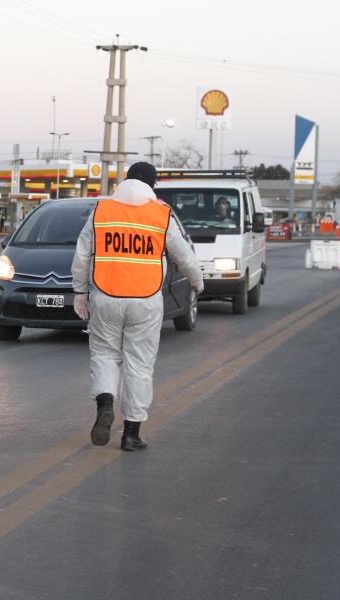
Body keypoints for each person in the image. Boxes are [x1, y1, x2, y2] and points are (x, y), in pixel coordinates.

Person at [71, 162, 203, 451]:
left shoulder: (101, 211)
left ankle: (105, 404)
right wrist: (197, 282)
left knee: (105, 356)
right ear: (152, 186)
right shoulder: (160, 214)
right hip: (146, 300)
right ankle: (131, 433)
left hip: (105, 296)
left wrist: (80, 292)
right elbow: (183, 255)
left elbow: (82, 255)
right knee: (139, 366)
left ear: (125, 181)